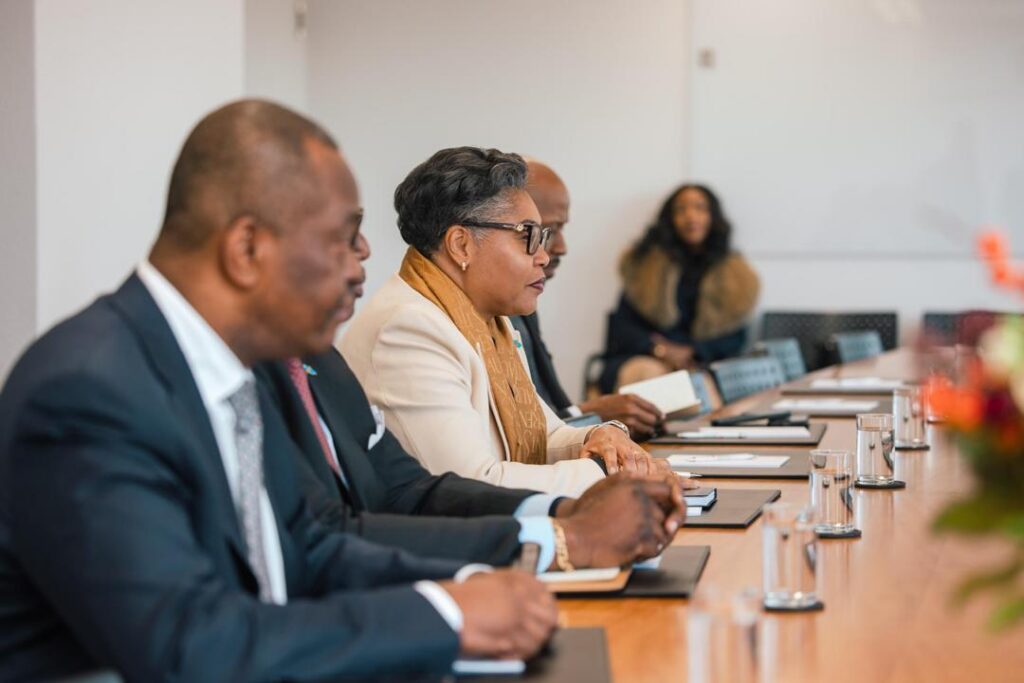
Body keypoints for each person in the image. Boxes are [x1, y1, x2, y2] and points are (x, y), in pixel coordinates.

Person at [0, 100, 559, 681]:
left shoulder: (232, 368)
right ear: (247, 250)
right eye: (342, 237)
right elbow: (188, 648)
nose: (360, 259)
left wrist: (474, 585)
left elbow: (304, 551)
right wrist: (445, 615)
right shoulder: (89, 391)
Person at [341, 147, 667, 497]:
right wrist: (612, 473)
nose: (543, 256)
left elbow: (546, 436)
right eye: (528, 236)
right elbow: (473, 485)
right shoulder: (408, 329)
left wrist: (602, 437)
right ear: (461, 244)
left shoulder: (489, 322)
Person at [257, 348, 686, 571]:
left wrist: (568, 509)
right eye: (530, 235)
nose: (363, 254)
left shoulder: (320, 360)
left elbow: (408, 488)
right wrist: (564, 537)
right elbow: (328, 535)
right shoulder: (408, 326)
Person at [509, 159, 665, 439]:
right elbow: (519, 438)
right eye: (548, 231)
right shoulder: (492, 311)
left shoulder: (522, 303)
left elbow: (548, 411)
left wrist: (590, 415)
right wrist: (595, 416)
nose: (561, 247)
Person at [598, 184, 760, 393]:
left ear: (713, 217)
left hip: (703, 363)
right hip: (646, 358)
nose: (691, 216)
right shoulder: (644, 268)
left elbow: (735, 337)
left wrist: (693, 352)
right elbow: (624, 328)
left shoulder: (735, 276)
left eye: (700, 208)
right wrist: (661, 350)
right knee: (654, 379)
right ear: (669, 219)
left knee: (701, 389)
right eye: (681, 209)